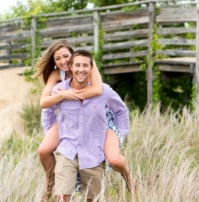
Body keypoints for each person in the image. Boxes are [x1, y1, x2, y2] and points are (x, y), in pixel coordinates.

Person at [36, 40, 134, 201]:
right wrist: (63, 95)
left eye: (66, 56)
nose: (63, 61)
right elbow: (45, 104)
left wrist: (122, 133)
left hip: (98, 119)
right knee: (43, 150)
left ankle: (128, 177)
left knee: (114, 158)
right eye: (58, 59)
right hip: (69, 125)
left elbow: (98, 90)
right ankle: (50, 181)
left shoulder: (88, 66)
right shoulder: (56, 78)